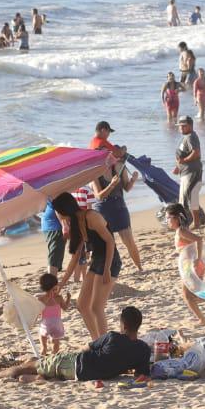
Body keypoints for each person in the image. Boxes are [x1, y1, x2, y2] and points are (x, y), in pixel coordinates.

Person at [0, 305, 150, 383]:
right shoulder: (143, 350)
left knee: (31, 363)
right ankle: (38, 378)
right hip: (86, 376)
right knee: (38, 366)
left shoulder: (113, 337)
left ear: (124, 326)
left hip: (76, 364)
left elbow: (85, 348)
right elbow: (141, 375)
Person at [52, 191, 118, 340]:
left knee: (96, 307)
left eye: (56, 211)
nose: (56, 214)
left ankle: (105, 344)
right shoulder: (76, 223)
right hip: (97, 261)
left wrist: (107, 268)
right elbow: (75, 259)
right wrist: (61, 284)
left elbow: (110, 241)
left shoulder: (91, 216)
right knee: (82, 305)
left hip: (110, 260)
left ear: (63, 210)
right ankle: (97, 341)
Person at [162, 203, 205, 325]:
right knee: (192, 295)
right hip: (191, 265)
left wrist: (198, 258)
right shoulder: (180, 231)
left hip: (193, 267)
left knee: (188, 297)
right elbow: (187, 247)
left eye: (168, 218)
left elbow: (199, 239)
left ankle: (203, 319)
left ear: (177, 218)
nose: (167, 221)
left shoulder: (181, 231)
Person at [88, 125, 142, 271]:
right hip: (102, 208)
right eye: (103, 153)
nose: (107, 156)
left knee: (128, 240)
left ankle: (140, 268)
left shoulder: (119, 167)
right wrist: (111, 185)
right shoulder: (95, 173)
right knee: (105, 243)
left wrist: (134, 179)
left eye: (107, 153)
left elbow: (126, 188)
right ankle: (105, 270)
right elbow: (98, 195)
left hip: (118, 206)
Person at [173, 115, 204, 227]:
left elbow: (196, 152)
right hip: (186, 171)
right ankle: (195, 223)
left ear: (190, 126)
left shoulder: (191, 136)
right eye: (180, 126)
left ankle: (188, 223)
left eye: (183, 126)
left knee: (187, 198)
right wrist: (178, 166)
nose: (181, 128)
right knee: (192, 198)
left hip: (191, 172)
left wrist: (184, 161)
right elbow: (182, 155)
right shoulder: (186, 137)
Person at [36, 273, 68, 355]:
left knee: (42, 335)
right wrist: (68, 298)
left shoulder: (41, 299)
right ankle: (54, 354)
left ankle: (44, 348)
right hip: (57, 324)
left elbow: (38, 312)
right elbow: (65, 308)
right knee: (56, 343)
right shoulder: (59, 298)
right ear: (54, 286)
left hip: (46, 324)